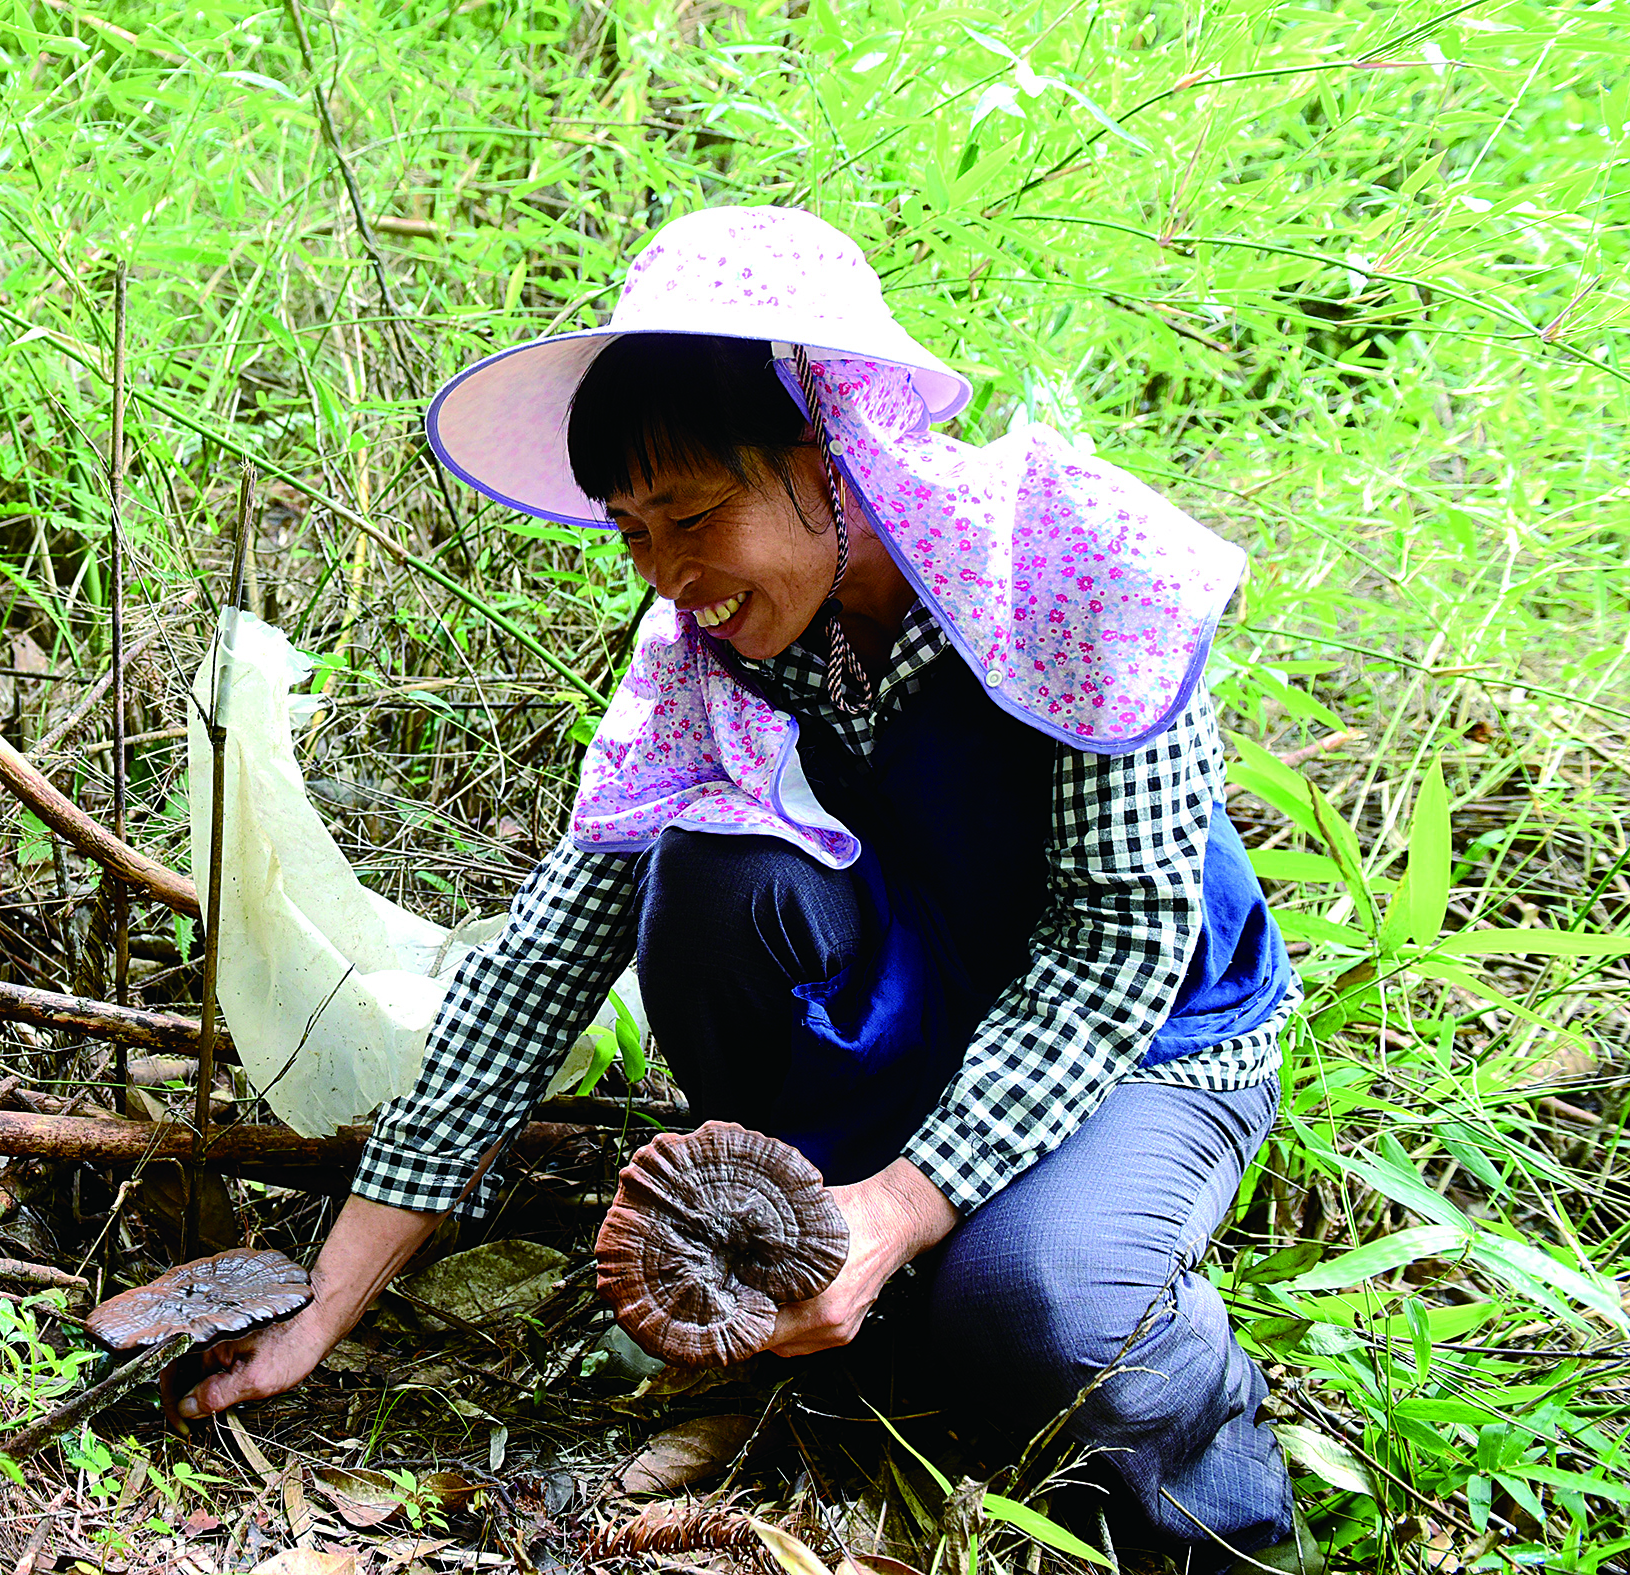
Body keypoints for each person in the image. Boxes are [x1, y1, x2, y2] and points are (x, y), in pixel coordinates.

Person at [169, 206, 1304, 1568]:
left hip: (1157, 1044)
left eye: (694, 514)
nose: (667, 574)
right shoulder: (713, 645)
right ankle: (851, 1294)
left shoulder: (1077, 566)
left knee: (1039, 1306)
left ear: (830, 444)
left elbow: (1113, 946)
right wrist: (322, 1299)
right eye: (632, 529)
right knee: (708, 886)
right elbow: (549, 949)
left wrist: (894, 1204)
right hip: (937, 1003)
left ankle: (1213, 1507)